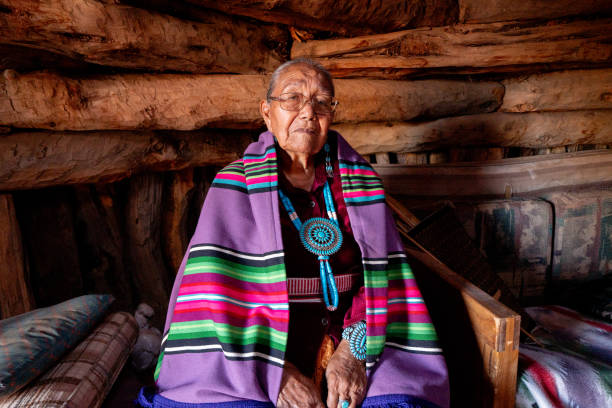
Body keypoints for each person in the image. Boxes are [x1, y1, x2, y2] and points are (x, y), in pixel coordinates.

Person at [138, 58, 449, 408]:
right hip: (254, 350)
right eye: (292, 98)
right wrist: (276, 373)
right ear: (267, 112)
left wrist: (353, 349)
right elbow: (214, 296)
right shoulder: (235, 185)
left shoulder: (362, 185)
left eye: (321, 101)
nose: (308, 112)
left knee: (399, 402)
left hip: (353, 335)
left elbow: (382, 278)